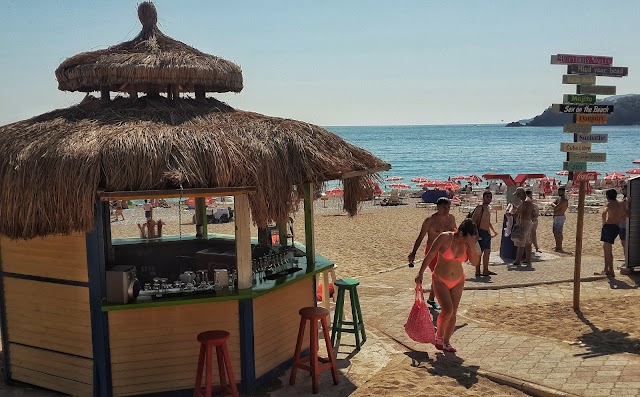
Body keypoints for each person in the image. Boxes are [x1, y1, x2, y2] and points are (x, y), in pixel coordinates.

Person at [415, 219, 480, 352]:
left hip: (458, 280)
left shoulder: (468, 244)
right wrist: (420, 273)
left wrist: (472, 246)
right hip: (440, 279)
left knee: (453, 313)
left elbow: (474, 263)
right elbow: (430, 254)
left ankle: (447, 341)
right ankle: (439, 337)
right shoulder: (445, 237)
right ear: (461, 233)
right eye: (468, 238)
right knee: (447, 310)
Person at [408, 197, 457, 310]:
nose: (447, 210)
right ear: (438, 207)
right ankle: (434, 299)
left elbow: (455, 234)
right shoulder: (430, 220)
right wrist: (413, 252)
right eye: (444, 207)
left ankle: (432, 298)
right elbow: (420, 237)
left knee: (442, 275)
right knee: (438, 274)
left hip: (446, 251)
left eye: (448, 207)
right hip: (432, 251)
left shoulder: (451, 219)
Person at [598, 189, 627, 277]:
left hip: (609, 226)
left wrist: (604, 222)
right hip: (616, 226)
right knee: (606, 248)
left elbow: (604, 212)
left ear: (607, 196)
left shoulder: (609, 204)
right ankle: (606, 269)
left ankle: (611, 270)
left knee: (607, 249)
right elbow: (626, 214)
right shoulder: (620, 204)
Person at [471, 191, 498, 277]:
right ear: (483, 197)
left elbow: (488, 222)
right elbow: (473, 221)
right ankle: (477, 271)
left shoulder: (488, 208)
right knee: (480, 253)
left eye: (490, 197)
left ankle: (485, 270)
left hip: (487, 233)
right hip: (481, 232)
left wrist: (493, 231)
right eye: (487, 197)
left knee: (487, 252)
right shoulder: (480, 208)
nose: (489, 199)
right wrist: (476, 233)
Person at [509, 187, 534, 266]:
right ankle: (528, 259)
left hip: (524, 222)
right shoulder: (528, 201)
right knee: (527, 242)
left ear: (522, 194)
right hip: (528, 221)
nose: (517, 197)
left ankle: (518, 261)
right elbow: (522, 211)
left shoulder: (525, 202)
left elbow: (517, 213)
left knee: (521, 242)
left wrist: (510, 213)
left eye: (518, 195)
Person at [551, 186, 569, 252]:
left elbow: (556, 207)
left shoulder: (564, 200)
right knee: (555, 232)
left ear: (563, 192)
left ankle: (560, 246)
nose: (559, 192)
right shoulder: (559, 198)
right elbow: (552, 203)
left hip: (560, 217)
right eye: (558, 191)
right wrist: (553, 205)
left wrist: (553, 205)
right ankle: (557, 246)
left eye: (560, 191)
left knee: (559, 232)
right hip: (556, 216)